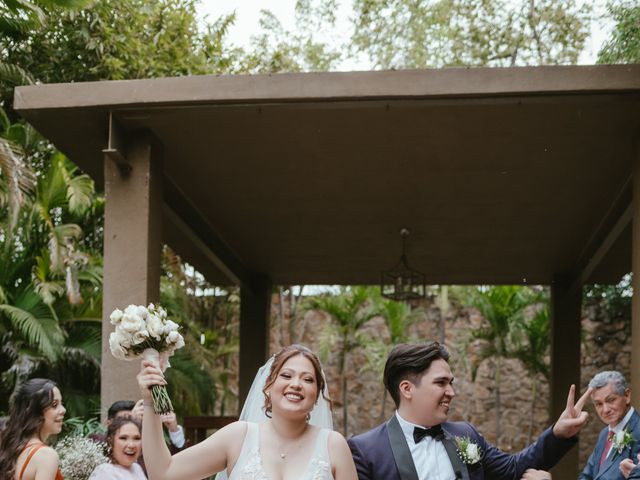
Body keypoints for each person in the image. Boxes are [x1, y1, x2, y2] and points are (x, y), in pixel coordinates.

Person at [348, 342, 592, 480]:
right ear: (407, 389)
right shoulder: (365, 450)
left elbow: (514, 469)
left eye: (451, 383)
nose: (451, 392)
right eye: (441, 383)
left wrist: (559, 434)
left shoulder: (466, 434)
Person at [137, 344, 357, 480]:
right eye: (286, 375)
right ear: (268, 387)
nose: (296, 384)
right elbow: (163, 474)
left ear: (317, 393)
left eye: (308, 379)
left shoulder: (333, 445)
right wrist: (150, 403)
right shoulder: (238, 437)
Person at [0, 378, 66, 480]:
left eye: (61, 403)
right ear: (35, 411)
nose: (63, 410)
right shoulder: (46, 455)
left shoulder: (13, 450)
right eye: (54, 405)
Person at [579, 371, 640, 480]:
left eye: (611, 400)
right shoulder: (605, 434)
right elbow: (587, 475)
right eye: (599, 404)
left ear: (627, 395)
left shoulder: (638, 429)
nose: (605, 410)